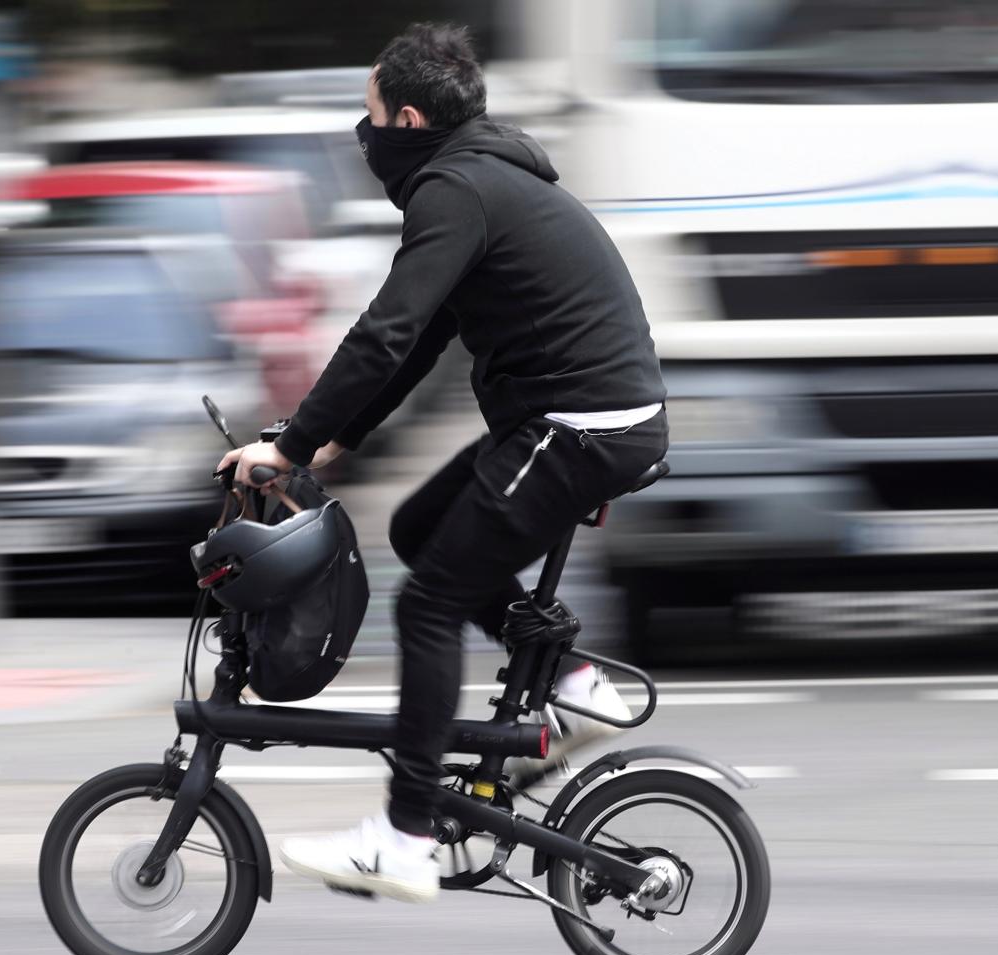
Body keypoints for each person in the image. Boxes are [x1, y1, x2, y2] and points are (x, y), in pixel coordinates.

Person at [217, 22, 669, 903]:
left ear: (411, 119)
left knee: (427, 603)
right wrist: (340, 436)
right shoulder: (477, 177)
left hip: (580, 426)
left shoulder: (453, 189)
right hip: (572, 420)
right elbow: (424, 337)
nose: (364, 134)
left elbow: (384, 329)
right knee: (420, 528)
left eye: (371, 115)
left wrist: (295, 443)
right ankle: (568, 680)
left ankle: (406, 833)